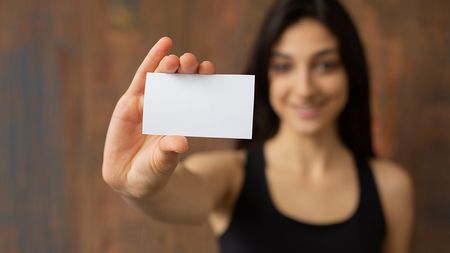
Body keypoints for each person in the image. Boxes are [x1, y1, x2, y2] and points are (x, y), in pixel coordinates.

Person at [102, 0, 414, 252]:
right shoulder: (231, 175)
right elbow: (174, 195)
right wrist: (136, 186)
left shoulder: (391, 188)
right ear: (267, 77)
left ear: (350, 73)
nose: (304, 88)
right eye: (283, 66)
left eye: (325, 65)